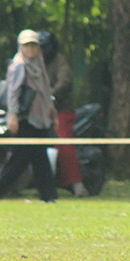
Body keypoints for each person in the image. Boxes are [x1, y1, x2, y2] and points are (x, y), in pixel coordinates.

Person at [0, 30, 58, 203]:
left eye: (33, 45)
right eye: (26, 45)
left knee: (40, 156)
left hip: (39, 118)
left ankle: (48, 195)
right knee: (19, 158)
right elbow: (13, 92)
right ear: (20, 46)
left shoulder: (39, 64)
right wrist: (13, 116)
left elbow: (45, 91)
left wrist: (51, 111)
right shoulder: (19, 65)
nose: (30, 49)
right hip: (24, 118)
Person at [39, 31, 88, 197]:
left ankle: (77, 184)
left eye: (43, 48)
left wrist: (52, 94)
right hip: (37, 110)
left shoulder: (59, 61)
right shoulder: (31, 62)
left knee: (63, 142)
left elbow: (65, 80)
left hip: (60, 109)